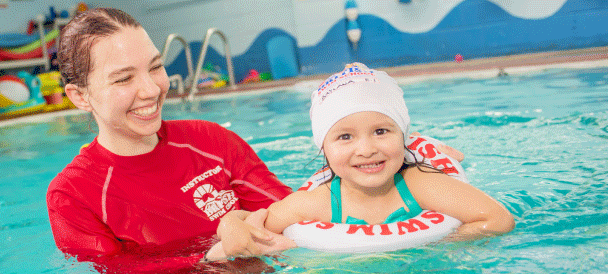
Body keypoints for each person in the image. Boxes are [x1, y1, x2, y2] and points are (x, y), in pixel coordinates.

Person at [46, 7, 292, 272]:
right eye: (124, 78)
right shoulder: (73, 195)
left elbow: (289, 213)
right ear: (80, 96)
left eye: (155, 67)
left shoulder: (211, 141)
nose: (152, 90)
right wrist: (215, 255)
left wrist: (240, 220)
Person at [208, 63, 515, 260]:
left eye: (381, 131)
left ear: (402, 137)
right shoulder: (313, 203)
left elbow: (498, 219)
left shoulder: (421, 183)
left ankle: (434, 145)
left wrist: (438, 245)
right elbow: (253, 225)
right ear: (324, 149)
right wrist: (230, 222)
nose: (366, 149)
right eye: (345, 137)